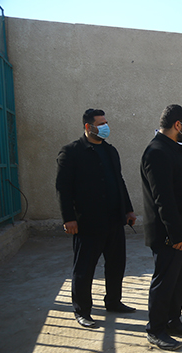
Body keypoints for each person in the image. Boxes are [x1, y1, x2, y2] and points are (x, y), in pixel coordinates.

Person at [56, 108, 136, 328]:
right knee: (84, 269)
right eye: (101, 124)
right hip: (87, 223)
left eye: (106, 122)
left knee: (116, 265)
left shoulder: (110, 151)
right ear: (87, 126)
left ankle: (113, 301)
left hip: (114, 219)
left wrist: (128, 210)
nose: (105, 127)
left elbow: (119, 181)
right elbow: (63, 188)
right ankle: (82, 311)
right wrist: (68, 218)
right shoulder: (71, 152)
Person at [140, 104, 182, 350]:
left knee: (180, 279)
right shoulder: (156, 151)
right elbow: (163, 199)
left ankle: (173, 320)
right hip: (169, 233)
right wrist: (176, 234)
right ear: (177, 124)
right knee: (165, 281)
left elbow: (178, 182)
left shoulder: (176, 149)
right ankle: (156, 329)